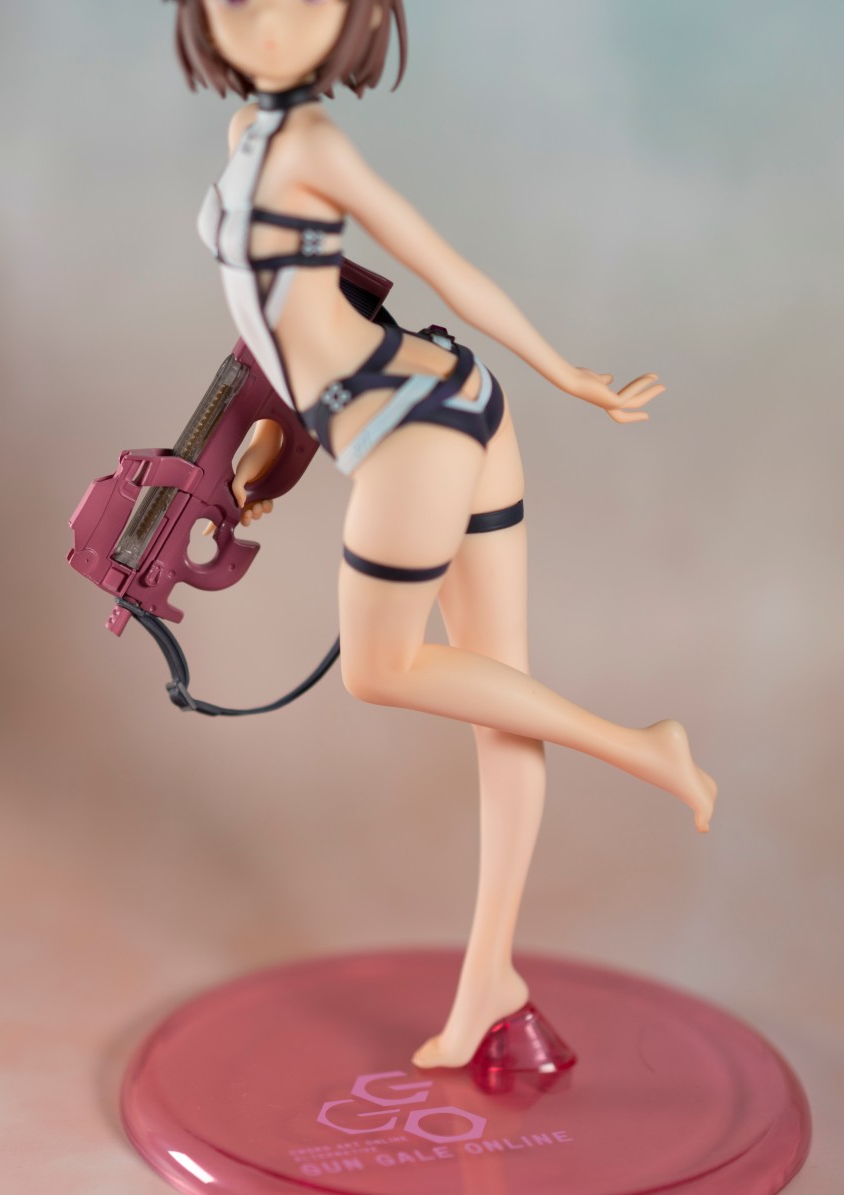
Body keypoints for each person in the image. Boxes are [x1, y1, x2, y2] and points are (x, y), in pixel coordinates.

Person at [170, 0, 717, 1070]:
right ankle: (488, 984)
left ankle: (639, 747)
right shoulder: (248, 134)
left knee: (379, 670)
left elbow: (443, 266)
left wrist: (566, 372)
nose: (271, 25)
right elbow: (272, 318)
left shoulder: (312, 145)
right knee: (495, 700)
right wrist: (267, 441)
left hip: (405, 424)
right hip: (444, 396)